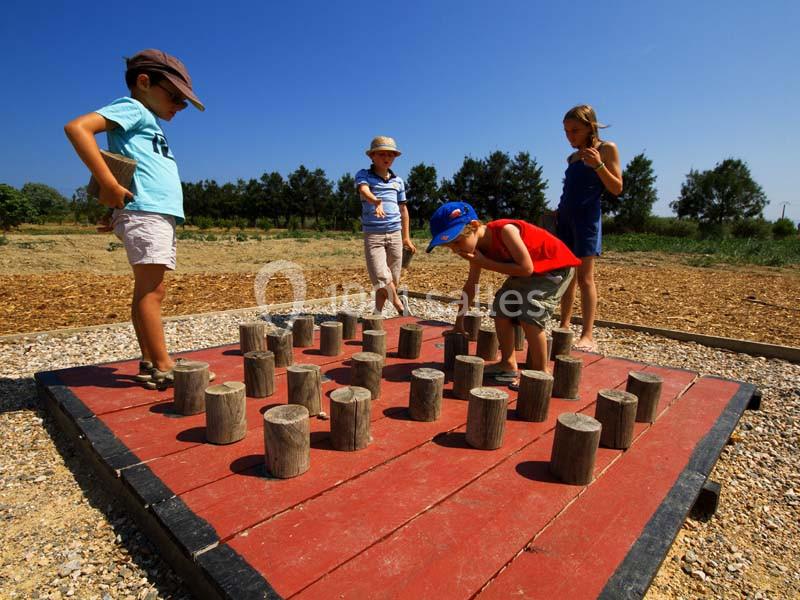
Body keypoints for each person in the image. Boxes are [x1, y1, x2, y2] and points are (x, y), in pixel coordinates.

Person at [64, 49, 205, 386]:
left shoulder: (147, 120)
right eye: (175, 96)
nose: (180, 106)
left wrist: (113, 203)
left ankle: (150, 359)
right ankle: (163, 364)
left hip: (150, 212)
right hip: (147, 212)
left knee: (147, 290)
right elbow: (78, 128)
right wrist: (109, 185)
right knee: (153, 292)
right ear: (144, 82)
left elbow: (129, 164)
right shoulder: (133, 109)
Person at [427, 201, 580, 389]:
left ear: (474, 226)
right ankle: (508, 362)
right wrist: (459, 322)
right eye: (449, 247)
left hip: (554, 267)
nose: (456, 250)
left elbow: (526, 267)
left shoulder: (506, 230)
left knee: (530, 312)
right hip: (530, 271)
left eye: (457, 242)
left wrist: (485, 262)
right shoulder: (474, 250)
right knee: (502, 307)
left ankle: (541, 372)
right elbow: (471, 285)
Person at [555, 104, 623, 351]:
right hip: (565, 220)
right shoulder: (572, 158)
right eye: (566, 131)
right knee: (567, 277)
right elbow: (569, 190)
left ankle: (587, 334)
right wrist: (558, 211)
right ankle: (563, 325)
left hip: (587, 220)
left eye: (574, 130)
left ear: (590, 127)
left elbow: (616, 188)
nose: (569, 136)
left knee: (585, 278)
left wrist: (599, 166)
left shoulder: (606, 149)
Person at [356, 136, 416, 315]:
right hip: (374, 235)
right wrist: (376, 201)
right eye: (382, 153)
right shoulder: (363, 175)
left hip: (395, 233)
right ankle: (399, 304)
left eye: (390, 154)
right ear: (372, 156)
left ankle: (377, 312)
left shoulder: (398, 181)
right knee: (381, 275)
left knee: (393, 277)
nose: (386, 157)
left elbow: (403, 210)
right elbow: (363, 190)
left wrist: (406, 237)